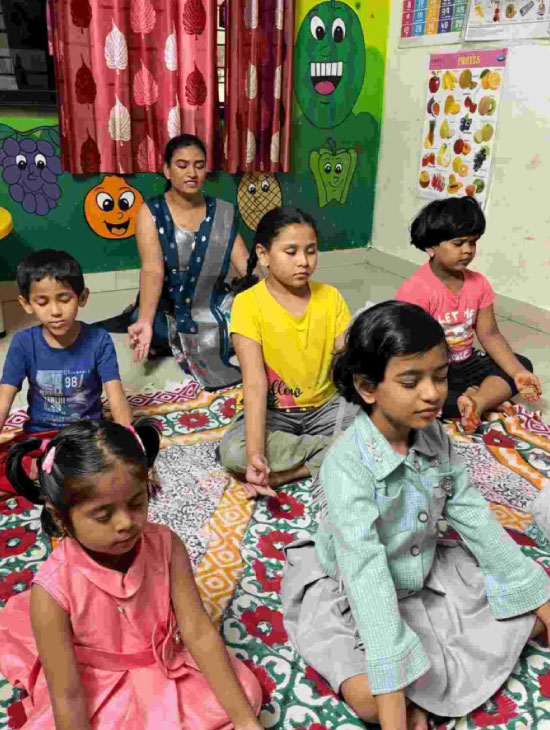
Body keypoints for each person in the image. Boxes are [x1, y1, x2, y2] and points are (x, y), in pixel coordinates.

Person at [281, 301, 550, 730]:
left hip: (423, 567)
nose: (432, 394)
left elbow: (473, 516)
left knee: (523, 598)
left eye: (440, 377)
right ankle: (418, 692)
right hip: (353, 585)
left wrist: (536, 597)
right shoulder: (347, 464)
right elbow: (365, 572)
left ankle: (429, 686)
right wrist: (393, 707)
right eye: (411, 381)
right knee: (372, 700)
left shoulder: (434, 434)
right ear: (368, 388)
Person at [0, 418, 262, 730]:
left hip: (169, 670)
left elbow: (198, 632)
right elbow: (67, 695)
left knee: (245, 695)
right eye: (103, 515)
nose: (125, 523)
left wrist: (246, 722)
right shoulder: (52, 592)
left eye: (137, 502)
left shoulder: (166, 545)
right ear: (61, 518)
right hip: (97, 690)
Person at [219, 206, 358, 498]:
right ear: (263, 255)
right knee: (233, 452)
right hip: (275, 414)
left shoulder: (330, 298)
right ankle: (327, 452)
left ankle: (291, 473)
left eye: (311, 251)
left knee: (390, 427)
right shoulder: (247, 304)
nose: (304, 262)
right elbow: (255, 383)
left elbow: (348, 361)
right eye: (291, 252)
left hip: (325, 408)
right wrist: (256, 455)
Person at [395, 197, 541, 433]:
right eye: (458, 243)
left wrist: (519, 373)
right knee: (409, 393)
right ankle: (469, 399)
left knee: (522, 364)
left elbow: (490, 334)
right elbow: (411, 351)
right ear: (431, 247)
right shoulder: (416, 290)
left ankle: (476, 402)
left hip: (467, 362)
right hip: (433, 369)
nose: (467, 251)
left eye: (473, 243)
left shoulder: (479, 284)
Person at [127, 134, 255, 390]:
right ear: (166, 170)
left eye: (199, 165)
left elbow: (246, 268)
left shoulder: (222, 211)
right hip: (171, 306)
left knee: (248, 323)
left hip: (213, 301)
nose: (192, 172)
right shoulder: (151, 212)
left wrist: (277, 294)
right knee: (154, 332)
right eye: (182, 165)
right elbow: (152, 269)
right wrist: (144, 319)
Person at [0, 250, 131, 496]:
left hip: (85, 437)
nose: (56, 311)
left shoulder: (99, 340)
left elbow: (116, 396)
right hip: (40, 436)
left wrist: (130, 443)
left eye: (64, 298)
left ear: (82, 297)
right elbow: (3, 398)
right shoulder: (23, 343)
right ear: (26, 304)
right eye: (42, 302)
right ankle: (49, 472)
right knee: (10, 462)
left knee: (115, 466)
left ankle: (51, 476)